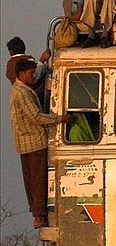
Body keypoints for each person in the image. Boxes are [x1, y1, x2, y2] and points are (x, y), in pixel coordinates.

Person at [9, 57, 71, 227]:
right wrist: (60, 119)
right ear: (21, 74)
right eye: (31, 74)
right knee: (38, 180)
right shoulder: (23, 93)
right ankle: (39, 215)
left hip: (25, 142)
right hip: (34, 142)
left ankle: (37, 215)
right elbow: (36, 117)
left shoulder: (18, 90)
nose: (33, 77)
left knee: (31, 180)